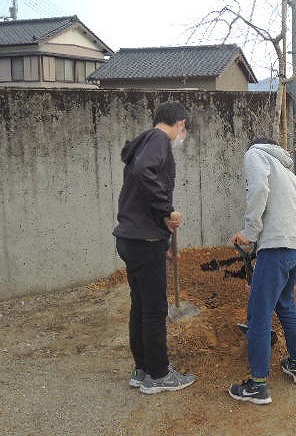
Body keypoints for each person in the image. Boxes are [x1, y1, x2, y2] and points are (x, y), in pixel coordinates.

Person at [113, 101, 196, 395]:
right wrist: (167, 211)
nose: (182, 136)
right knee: (155, 308)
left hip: (133, 238)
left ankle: (143, 370)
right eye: (185, 130)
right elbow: (144, 173)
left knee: (142, 305)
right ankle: (159, 375)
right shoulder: (159, 139)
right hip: (143, 239)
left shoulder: (143, 142)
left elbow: (139, 186)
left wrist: (162, 239)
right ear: (181, 123)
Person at [229, 138, 296, 405]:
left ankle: (258, 385)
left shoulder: (254, 154)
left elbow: (258, 190)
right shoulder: (288, 171)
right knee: (286, 303)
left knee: (260, 314)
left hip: (276, 246)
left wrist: (250, 233)